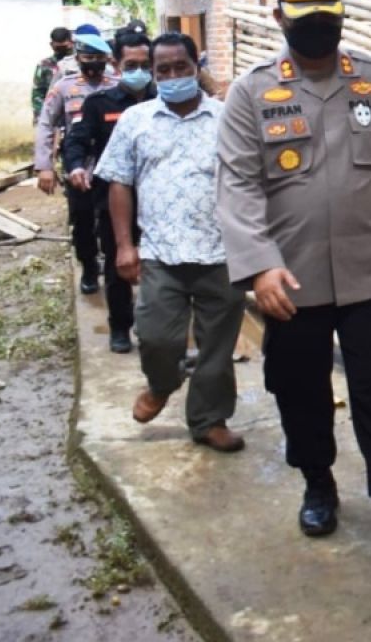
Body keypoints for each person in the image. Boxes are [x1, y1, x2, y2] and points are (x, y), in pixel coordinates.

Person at [216, 0, 371, 569]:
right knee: (301, 390)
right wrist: (259, 266)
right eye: (307, 19)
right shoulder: (251, 92)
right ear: (279, 19)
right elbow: (238, 187)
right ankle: (317, 482)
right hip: (290, 279)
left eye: (330, 17)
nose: (321, 28)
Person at [94, 32, 245, 453]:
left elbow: (250, 181)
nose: (174, 76)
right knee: (157, 337)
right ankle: (162, 384)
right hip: (161, 253)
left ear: (197, 67)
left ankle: (209, 420)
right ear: (153, 73)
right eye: (164, 70)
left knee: (217, 348)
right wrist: (125, 246)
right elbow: (120, 184)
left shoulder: (228, 118)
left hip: (222, 253)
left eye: (182, 67)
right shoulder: (135, 120)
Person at [63, 32, 156, 354]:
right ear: (116, 64)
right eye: (132, 64)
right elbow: (76, 140)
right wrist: (75, 166)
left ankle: (160, 327)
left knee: (166, 267)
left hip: (160, 200)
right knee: (119, 264)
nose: (139, 70)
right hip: (115, 199)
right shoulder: (98, 104)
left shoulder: (167, 101)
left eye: (146, 64)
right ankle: (120, 326)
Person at [34, 32, 119, 294]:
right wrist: (44, 166)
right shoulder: (63, 87)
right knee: (81, 221)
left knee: (112, 220)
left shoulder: (117, 85)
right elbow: (46, 124)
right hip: (77, 163)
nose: (92, 62)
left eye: (98, 58)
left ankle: (113, 267)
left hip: (111, 164)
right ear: (78, 58)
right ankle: (90, 269)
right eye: (87, 57)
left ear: (106, 59)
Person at [32, 27, 72, 125]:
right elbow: (38, 92)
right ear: (51, 45)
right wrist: (40, 116)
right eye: (58, 48)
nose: (61, 51)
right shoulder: (44, 65)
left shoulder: (78, 63)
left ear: (71, 43)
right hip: (51, 113)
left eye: (64, 47)